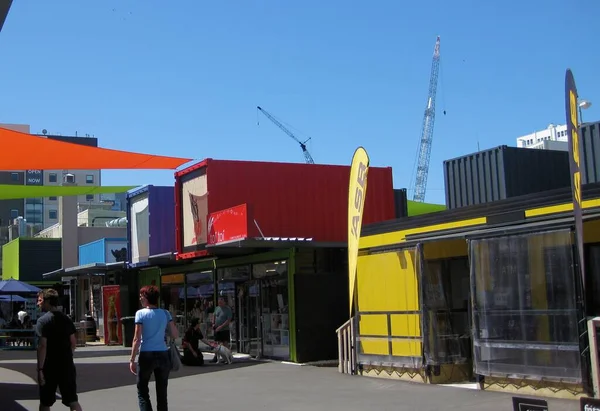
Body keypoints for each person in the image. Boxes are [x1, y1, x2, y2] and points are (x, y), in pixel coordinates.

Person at [129, 285, 179, 411]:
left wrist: (132, 359)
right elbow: (175, 334)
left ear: (146, 298)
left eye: (141, 296)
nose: (140, 298)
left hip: (146, 354)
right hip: (163, 354)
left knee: (142, 390)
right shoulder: (165, 313)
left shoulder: (140, 314)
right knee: (162, 393)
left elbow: (136, 338)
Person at [35, 289, 83, 411]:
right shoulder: (66, 320)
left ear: (47, 301)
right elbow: (73, 342)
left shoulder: (43, 321)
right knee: (72, 400)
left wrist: (40, 369)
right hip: (66, 366)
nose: (38, 303)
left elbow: (42, 346)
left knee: (45, 402)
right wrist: (67, 356)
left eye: (40, 301)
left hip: (49, 367)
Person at [210, 295, 232, 363]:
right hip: (217, 328)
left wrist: (221, 326)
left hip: (224, 329)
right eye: (219, 300)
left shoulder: (228, 309)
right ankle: (216, 357)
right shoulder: (217, 308)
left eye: (221, 300)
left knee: (225, 343)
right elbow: (214, 315)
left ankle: (228, 357)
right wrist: (213, 323)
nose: (219, 301)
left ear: (224, 301)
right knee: (217, 343)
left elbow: (228, 320)